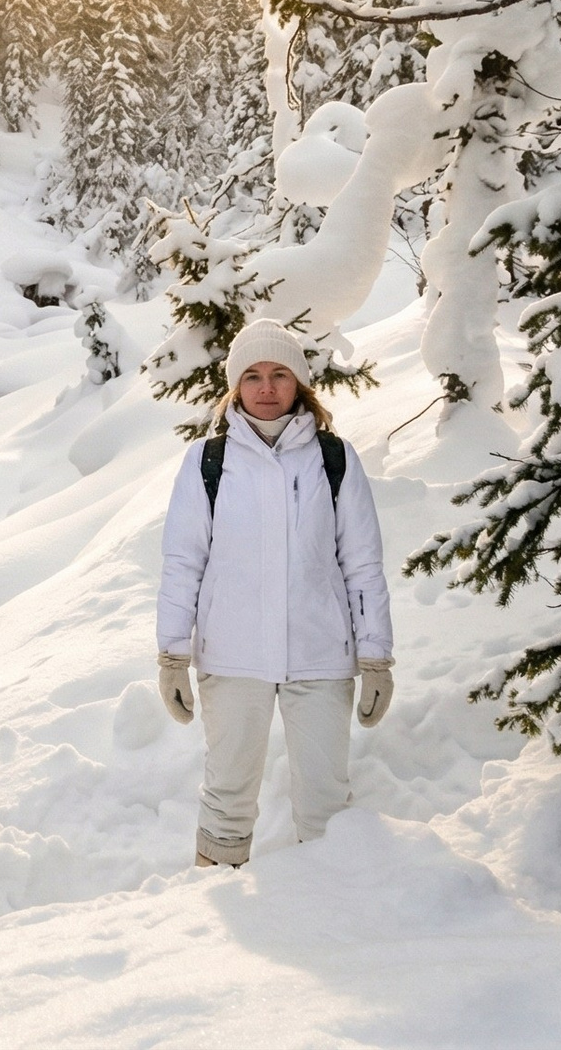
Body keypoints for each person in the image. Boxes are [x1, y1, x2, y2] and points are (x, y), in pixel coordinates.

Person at [154, 320, 393, 868]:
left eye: (280, 374)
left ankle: (330, 908)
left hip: (320, 655)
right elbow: (183, 562)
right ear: (235, 387)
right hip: (234, 657)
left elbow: (362, 565)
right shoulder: (207, 462)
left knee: (326, 801)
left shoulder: (334, 460)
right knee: (227, 796)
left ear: (300, 384)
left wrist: (375, 657)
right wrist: (172, 654)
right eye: (254, 376)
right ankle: (212, 907)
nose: (266, 388)